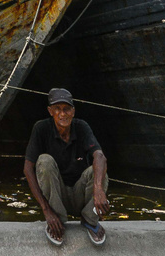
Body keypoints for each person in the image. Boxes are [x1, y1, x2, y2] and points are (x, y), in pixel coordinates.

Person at [23, 87, 109, 246]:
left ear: (73, 111)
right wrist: (46, 210)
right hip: (56, 197)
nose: (63, 114)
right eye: (57, 109)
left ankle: (90, 220)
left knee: (98, 170)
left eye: (66, 109)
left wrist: (98, 188)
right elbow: (28, 168)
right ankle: (57, 220)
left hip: (79, 194)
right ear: (50, 111)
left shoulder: (81, 127)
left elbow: (99, 156)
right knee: (44, 161)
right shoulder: (41, 128)